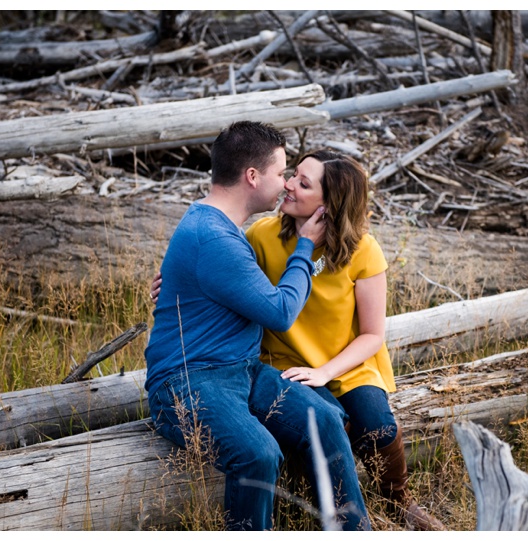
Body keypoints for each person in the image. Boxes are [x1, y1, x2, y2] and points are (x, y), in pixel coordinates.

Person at [153, 149, 444, 531]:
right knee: (327, 424)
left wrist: (325, 372)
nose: (289, 184)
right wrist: (174, 284)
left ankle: (397, 501)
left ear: (330, 205)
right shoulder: (261, 235)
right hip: (282, 361)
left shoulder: (363, 250)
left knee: (378, 428)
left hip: (345, 362)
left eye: (303, 183)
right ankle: (320, 507)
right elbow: (223, 272)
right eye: (291, 175)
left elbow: (373, 334)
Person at [144, 122, 370, 531]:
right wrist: (304, 244)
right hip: (187, 383)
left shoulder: (223, 229)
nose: (286, 184)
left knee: (326, 418)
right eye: (282, 172)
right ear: (252, 176)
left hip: (241, 371)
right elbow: (282, 312)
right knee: (258, 453)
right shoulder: (213, 236)